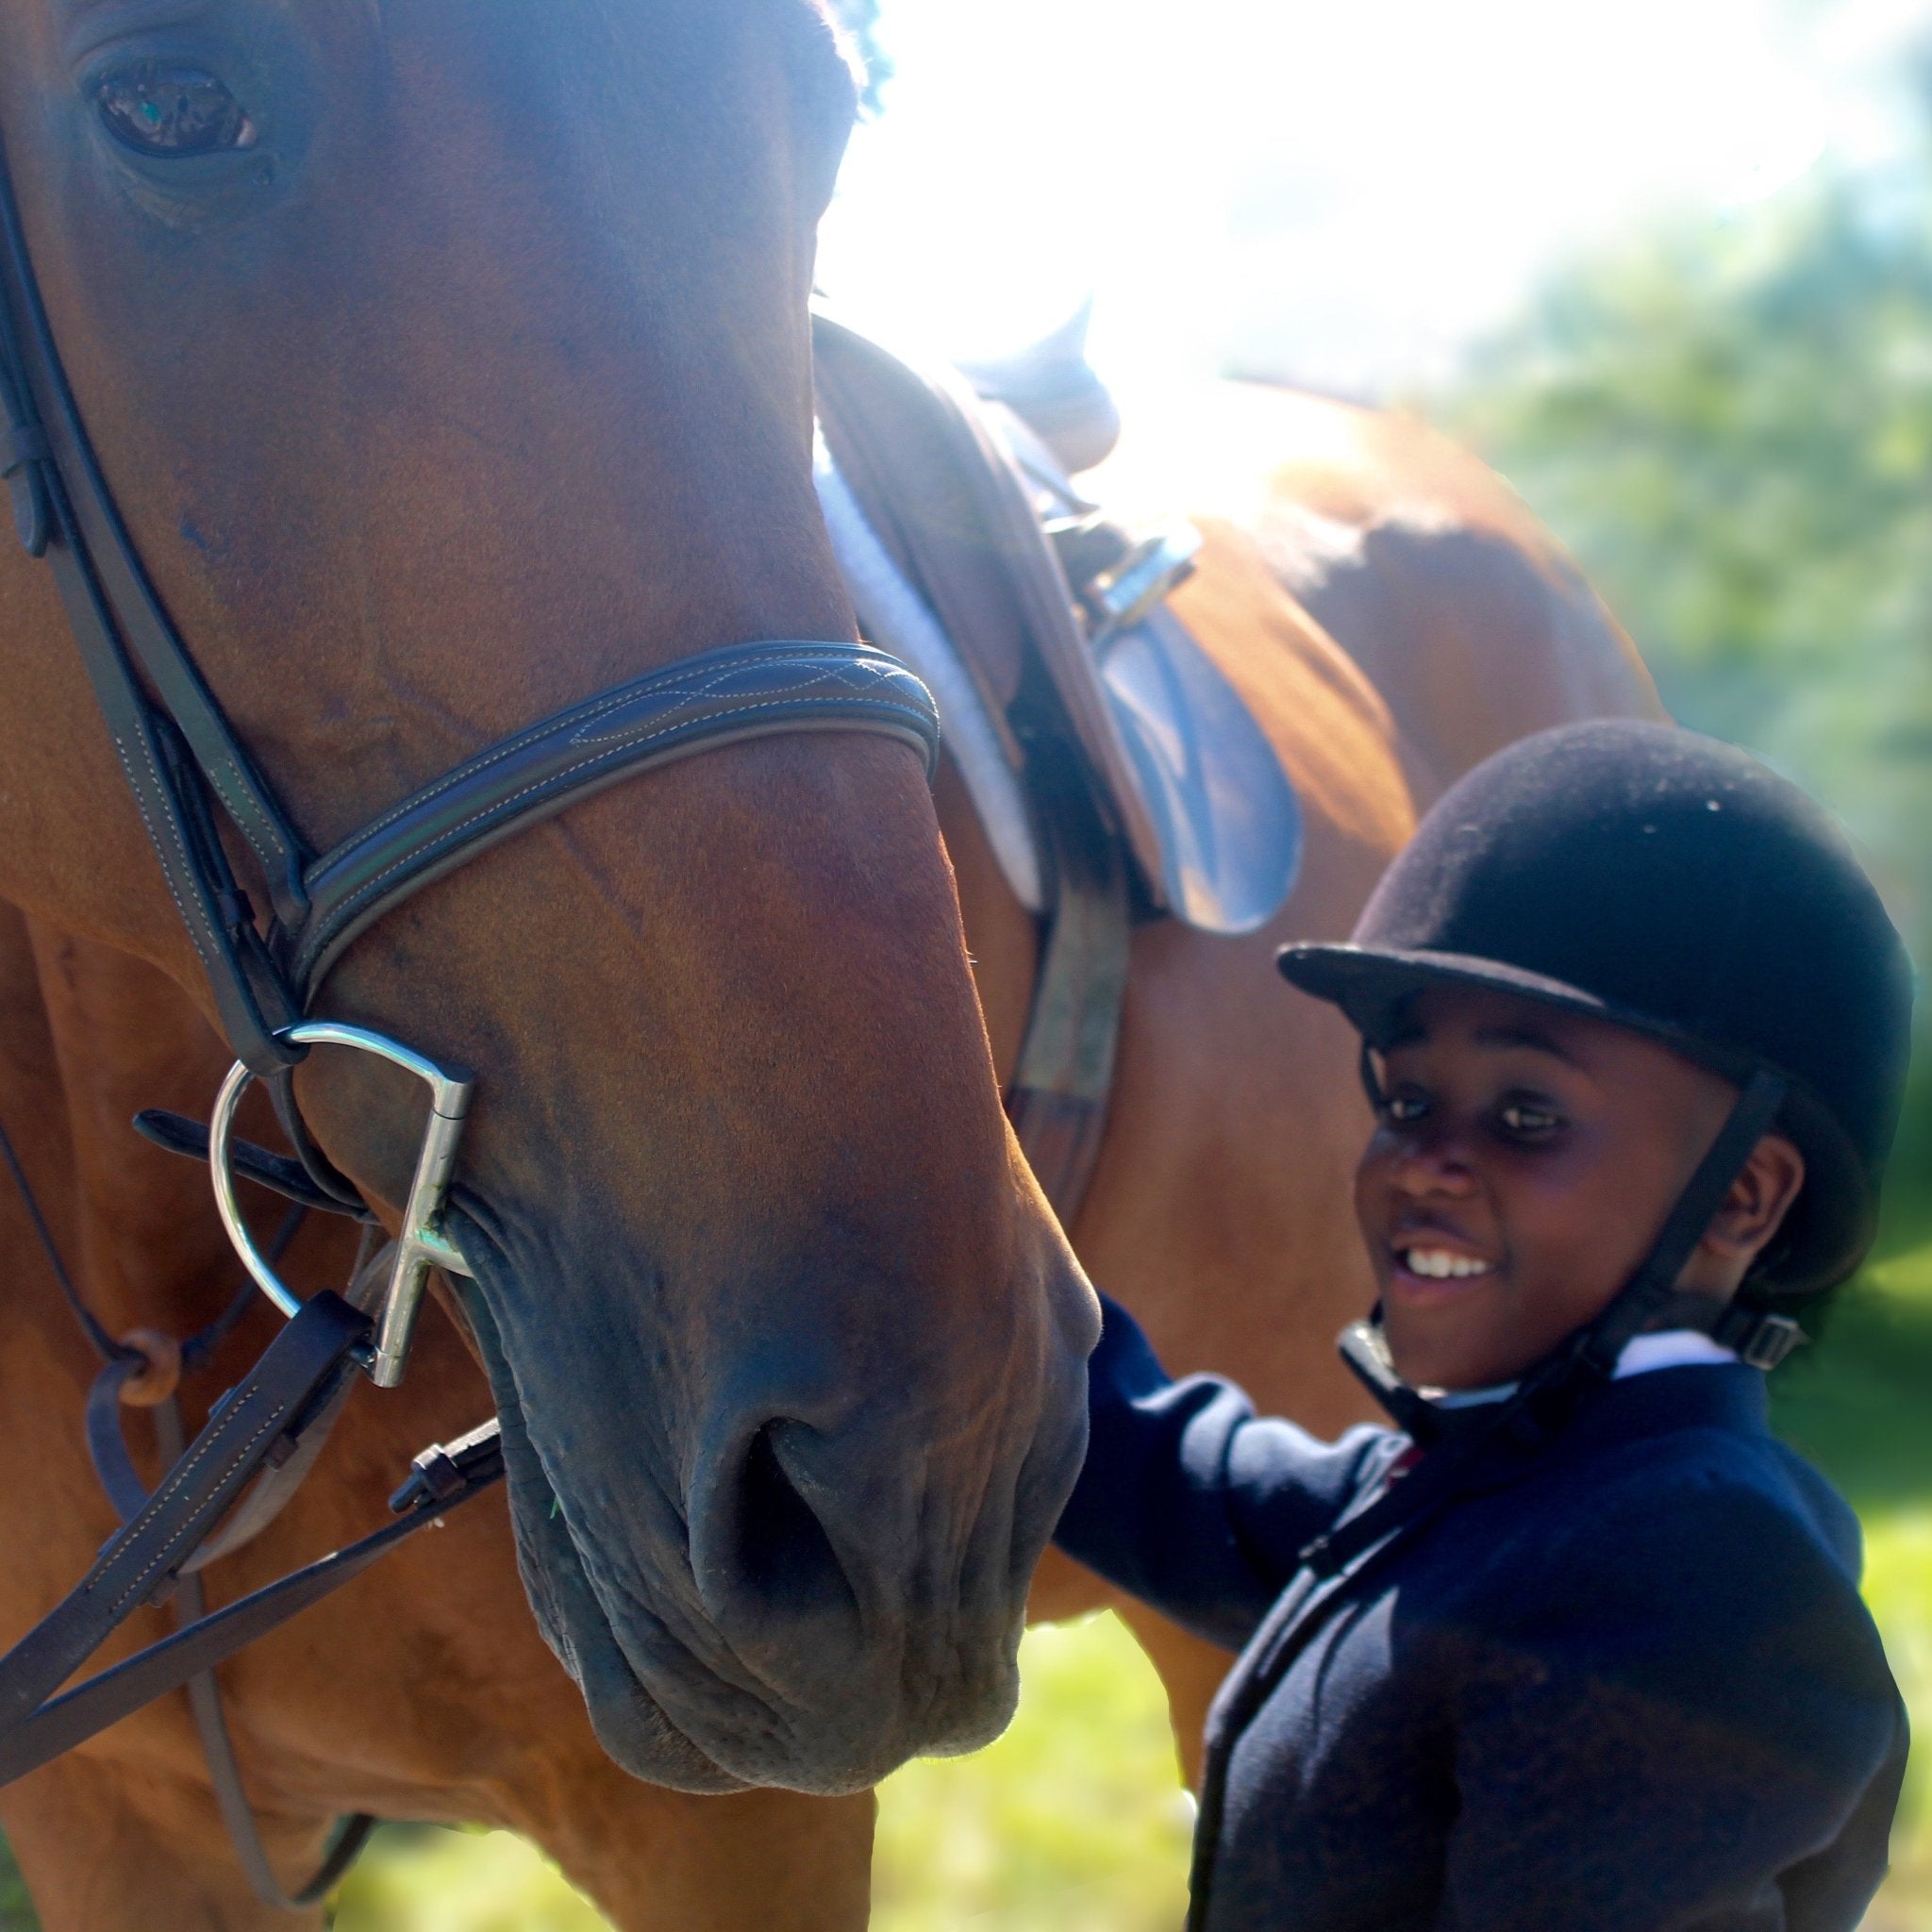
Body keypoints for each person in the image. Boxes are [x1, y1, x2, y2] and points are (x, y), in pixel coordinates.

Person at [1055, 719, 1915, 1932]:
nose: (1422, 1164)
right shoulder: (1505, 1486)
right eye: (1406, 1099)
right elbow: (1178, 1479)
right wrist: (976, 1263)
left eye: (1523, 1114)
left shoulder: (1689, 1580)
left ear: (1741, 1194)